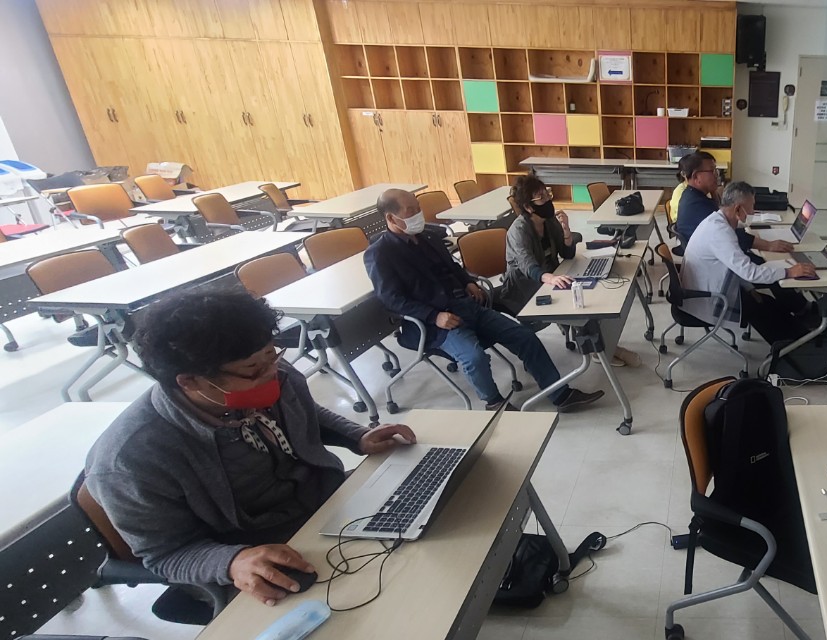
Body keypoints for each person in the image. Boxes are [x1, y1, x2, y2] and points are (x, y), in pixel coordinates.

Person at [84, 289, 418, 608]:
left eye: (272, 356)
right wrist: (233, 561)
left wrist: (357, 436)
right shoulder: (129, 460)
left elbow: (304, 411)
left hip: (327, 502)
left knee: (428, 532)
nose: (273, 373)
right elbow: (165, 554)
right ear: (189, 381)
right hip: (258, 551)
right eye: (254, 369)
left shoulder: (269, 374)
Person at [365, 188, 604, 411]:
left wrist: (467, 281)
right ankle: (495, 404)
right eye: (411, 211)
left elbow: (452, 267)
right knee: (474, 357)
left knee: (525, 336)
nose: (418, 214)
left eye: (418, 208)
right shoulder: (379, 254)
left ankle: (560, 395)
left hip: (467, 306)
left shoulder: (428, 237)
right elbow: (391, 299)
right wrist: (434, 316)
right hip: (436, 323)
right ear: (391, 218)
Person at [502, 176, 641, 366]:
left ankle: (603, 346)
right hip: (524, 285)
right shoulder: (518, 230)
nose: (548, 200)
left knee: (590, 290)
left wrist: (566, 231)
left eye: (547, 194)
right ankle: (598, 350)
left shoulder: (548, 220)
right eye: (542, 198)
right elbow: (527, 264)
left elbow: (567, 254)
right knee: (577, 300)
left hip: (551, 274)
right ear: (528, 206)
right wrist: (550, 278)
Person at [680, 181, 817, 344]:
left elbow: (736, 267)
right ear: (738, 208)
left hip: (707, 288)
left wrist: (749, 287)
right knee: (764, 310)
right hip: (707, 299)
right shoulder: (720, 233)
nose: (753, 211)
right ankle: (798, 347)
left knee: (767, 304)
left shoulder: (717, 221)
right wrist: (789, 272)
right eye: (752, 206)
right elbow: (749, 272)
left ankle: (804, 341)